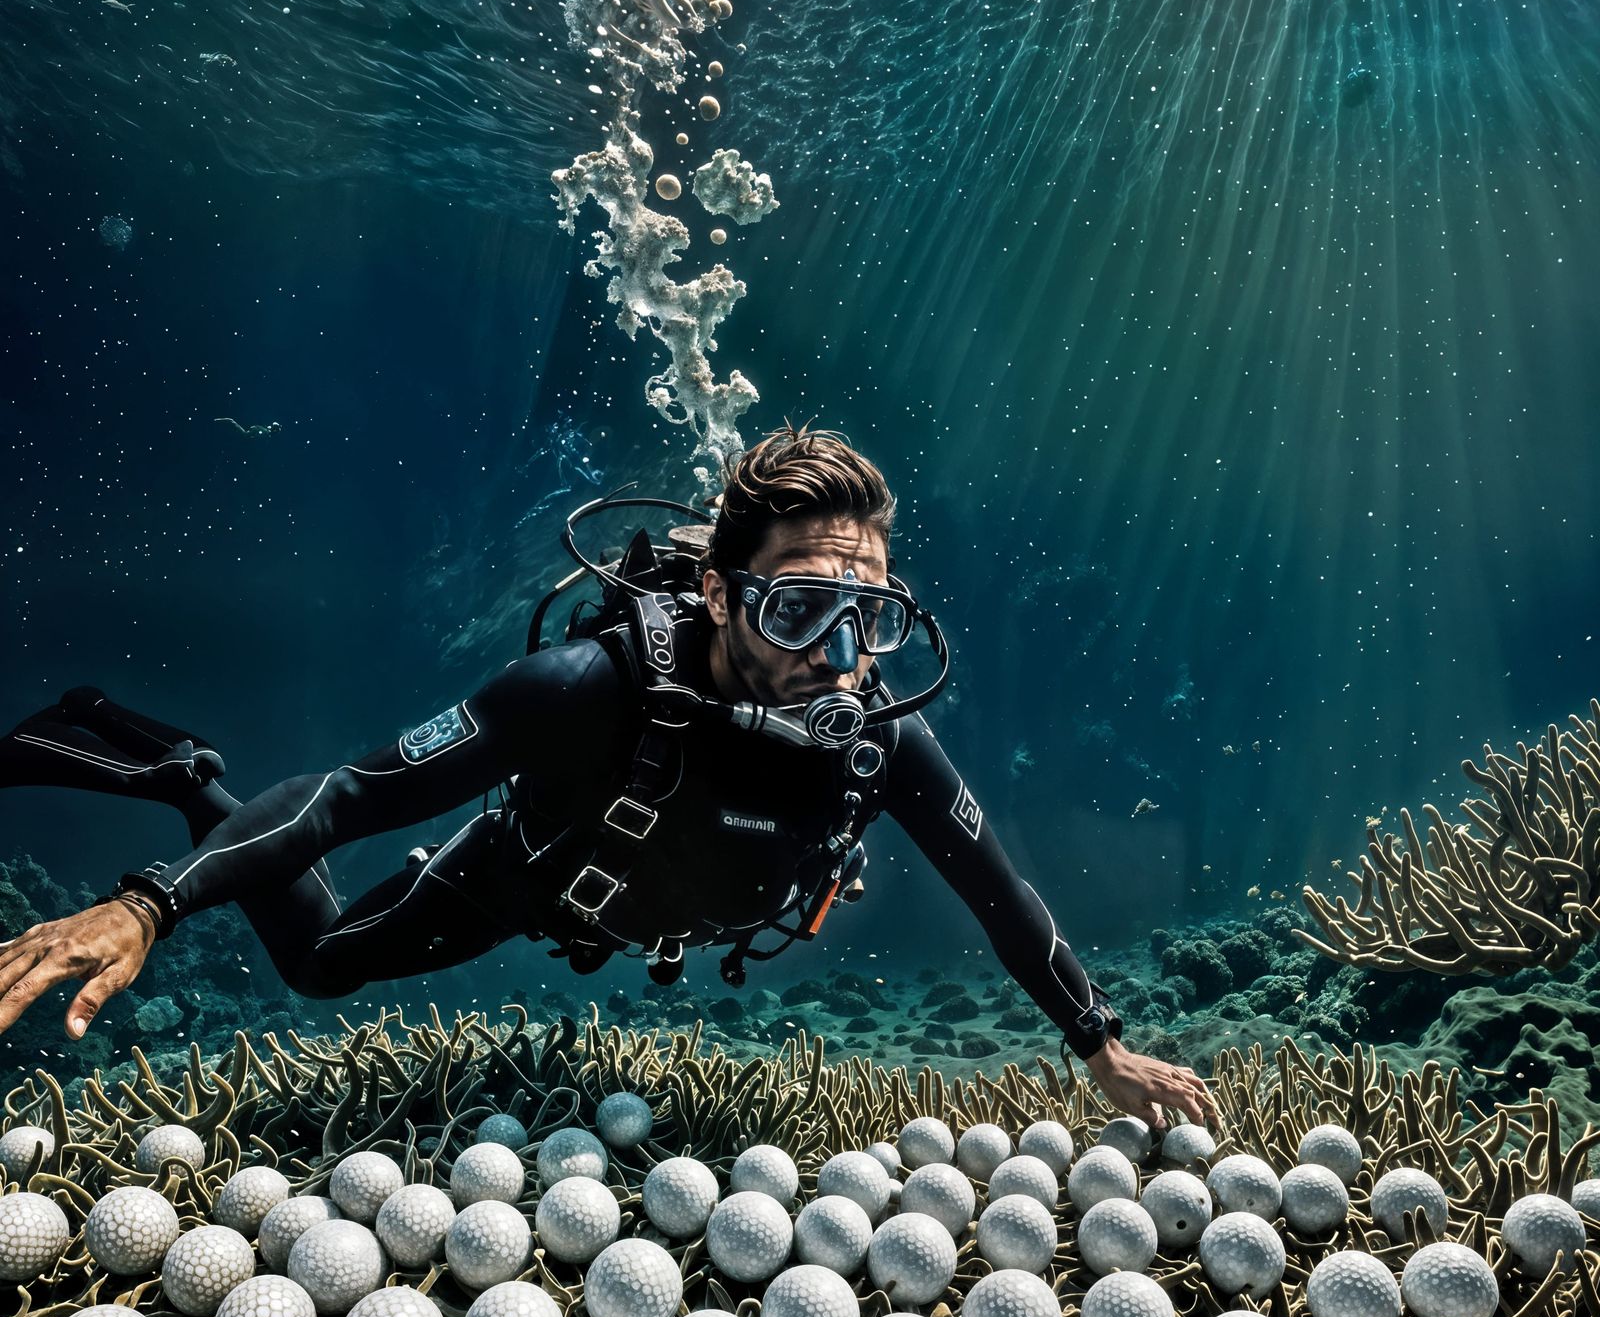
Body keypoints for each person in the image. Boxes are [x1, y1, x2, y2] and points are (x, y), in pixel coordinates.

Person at [0, 424, 1212, 1128]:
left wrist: (1095, 1043)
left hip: (653, 911)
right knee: (318, 966)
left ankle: (178, 779)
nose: (836, 663)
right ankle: (179, 768)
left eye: (866, 620)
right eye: (798, 611)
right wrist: (151, 899)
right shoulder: (587, 687)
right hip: (525, 884)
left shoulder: (877, 736)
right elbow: (351, 795)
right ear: (727, 594)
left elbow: (996, 888)